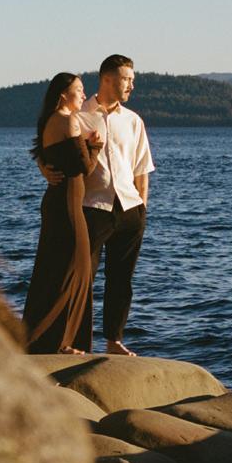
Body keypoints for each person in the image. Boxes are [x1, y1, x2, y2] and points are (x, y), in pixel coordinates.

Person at [43, 54, 155, 356]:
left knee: (122, 280)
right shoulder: (78, 115)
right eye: (126, 79)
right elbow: (49, 142)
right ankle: (68, 342)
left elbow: (141, 170)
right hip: (92, 208)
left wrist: (142, 210)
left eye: (132, 79)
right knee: (81, 278)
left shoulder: (134, 121)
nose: (131, 85)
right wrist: (43, 167)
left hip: (129, 209)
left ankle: (113, 341)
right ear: (107, 79)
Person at [21, 72, 104, 354]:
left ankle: (58, 340)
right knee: (72, 269)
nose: (84, 95)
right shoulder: (67, 120)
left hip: (60, 203)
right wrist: (95, 146)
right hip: (67, 205)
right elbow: (85, 167)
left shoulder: (50, 120)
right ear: (63, 95)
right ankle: (58, 342)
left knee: (57, 270)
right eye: (79, 90)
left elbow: (48, 157)